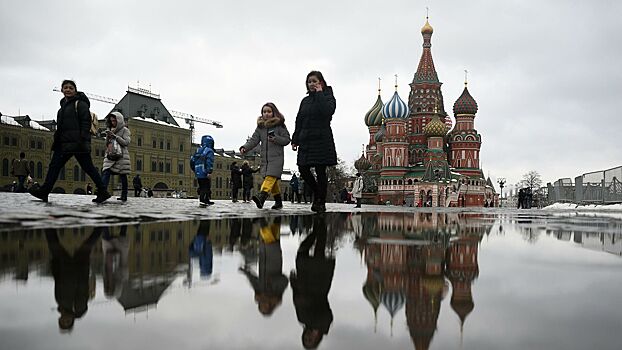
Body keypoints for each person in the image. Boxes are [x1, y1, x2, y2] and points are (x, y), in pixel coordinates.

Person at [29, 80, 110, 203]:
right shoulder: (61, 109)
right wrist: (56, 141)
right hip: (64, 144)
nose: (68, 90)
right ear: (62, 90)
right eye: (65, 87)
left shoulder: (80, 104)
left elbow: (85, 122)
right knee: (54, 167)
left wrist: (82, 139)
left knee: (89, 168)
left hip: (78, 143)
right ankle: (44, 191)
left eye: (70, 88)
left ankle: (103, 191)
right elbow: (61, 128)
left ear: (75, 90)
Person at [291, 71, 337, 213]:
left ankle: (320, 201)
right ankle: (317, 192)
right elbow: (299, 120)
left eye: (314, 81)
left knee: (320, 170)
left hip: (321, 139)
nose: (311, 84)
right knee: (303, 169)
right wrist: (295, 138)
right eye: (309, 81)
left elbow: (327, 112)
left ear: (321, 82)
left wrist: (319, 94)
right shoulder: (305, 101)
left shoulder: (328, 96)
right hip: (306, 139)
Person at [45, 227, 102, 332]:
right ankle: (102, 226)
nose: (64, 319)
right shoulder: (79, 308)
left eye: (62, 321)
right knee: (88, 244)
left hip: (64, 267)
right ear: (72, 321)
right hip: (79, 268)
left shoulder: (60, 302)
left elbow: (57, 281)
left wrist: (54, 265)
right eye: (67, 322)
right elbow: (84, 288)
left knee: (53, 243)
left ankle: (49, 223)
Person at [290, 215, 335, 349]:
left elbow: (296, 300)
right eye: (311, 340)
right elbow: (325, 312)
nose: (308, 337)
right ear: (317, 339)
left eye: (305, 339)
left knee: (302, 251)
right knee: (319, 250)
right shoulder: (324, 324)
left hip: (304, 279)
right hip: (318, 284)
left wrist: (294, 284)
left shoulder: (302, 319)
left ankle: (317, 229)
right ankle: (321, 225)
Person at [240, 102, 291, 209]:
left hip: (276, 158)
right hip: (265, 159)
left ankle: (261, 197)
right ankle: (278, 202)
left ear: (273, 113)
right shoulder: (260, 128)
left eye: (269, 111)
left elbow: (287, 140)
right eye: (264, 112)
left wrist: (276, 139)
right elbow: (254, 140)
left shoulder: (280, 126)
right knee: (273, 181)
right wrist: (245, 147)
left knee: (270, 177)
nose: (266, 114)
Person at [239, 217, 288, 316]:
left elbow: (252, 279)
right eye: (265, 307)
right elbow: (285, 280)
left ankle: (274, 217)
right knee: (271, 234)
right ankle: (262, 219)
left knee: (272, 233)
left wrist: (245, 271)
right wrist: (272, 281)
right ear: (270, 306)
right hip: (274, 256)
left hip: (263, 253)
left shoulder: (260, 292)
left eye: (261, 306)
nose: (263, 304)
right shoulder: (277, 293)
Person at [101, 112, 131, 202]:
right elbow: (107, 144)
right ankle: (102, 194)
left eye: (115, 121)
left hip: (121, 156)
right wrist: (108, 137)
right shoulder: (110, 129)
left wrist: (115, 137)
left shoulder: (125, 130)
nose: (113, 122)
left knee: (123, 176)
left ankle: (124, 195)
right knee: (106, 172)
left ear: (119, 120)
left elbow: (126, 142)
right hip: (110, 155)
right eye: (111, 121)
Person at [190, 135, 215, 207]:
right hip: (204, 171)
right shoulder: (209, 151)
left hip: (198, 171)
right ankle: (203, 200)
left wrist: (194, 169)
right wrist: (209, 171)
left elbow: (192, 160)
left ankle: (206, 200)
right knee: (206, 186)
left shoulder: (198, 150)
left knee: (201, 186)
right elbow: (209, 162)